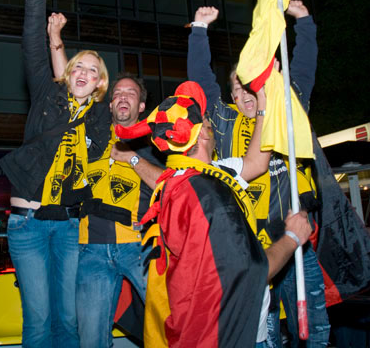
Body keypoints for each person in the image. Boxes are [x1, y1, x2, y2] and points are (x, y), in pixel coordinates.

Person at [115, 81, 312, 347]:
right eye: (208, 122)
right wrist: (292, 237)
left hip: (222, 325)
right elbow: (250, 271)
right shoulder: (208, 195)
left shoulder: (196, 178)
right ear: (203, 135)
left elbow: (256, 162)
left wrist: (263, 105)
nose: (213, 126)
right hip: (229, 332)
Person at [187, 3, 330, 347]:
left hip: (295, 241)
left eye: (249, 86)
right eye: (236, 89)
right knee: (264, 334)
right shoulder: (224, 122)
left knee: (314, 330)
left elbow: (304, 69)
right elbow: (201, 80)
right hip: (250, 249)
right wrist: (199, 29)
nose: (244, 94)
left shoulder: (286, 112)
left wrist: (304, 22)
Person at [0, 0, 111, 348]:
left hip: (67, 225)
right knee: (39, 319)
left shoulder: (98, 119)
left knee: (67, 318)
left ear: (99, 83)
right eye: (78, 67)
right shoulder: (48, 96)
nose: (83, 73)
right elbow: (33, 49)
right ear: (68, 73)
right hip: (28, 223)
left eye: (92, 70)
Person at [47, 11, 164, 347]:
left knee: (169, 326)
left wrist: (133, 158)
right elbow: (70, 85)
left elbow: (167, 183)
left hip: (139, 246)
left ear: (141, 106)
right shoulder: (92, 130)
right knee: (91, 340)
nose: (122, 97)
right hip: (91, 248)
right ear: (109, 102)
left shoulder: (156, 142)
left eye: (131, 94)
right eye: (117, 93)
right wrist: (55, 39)